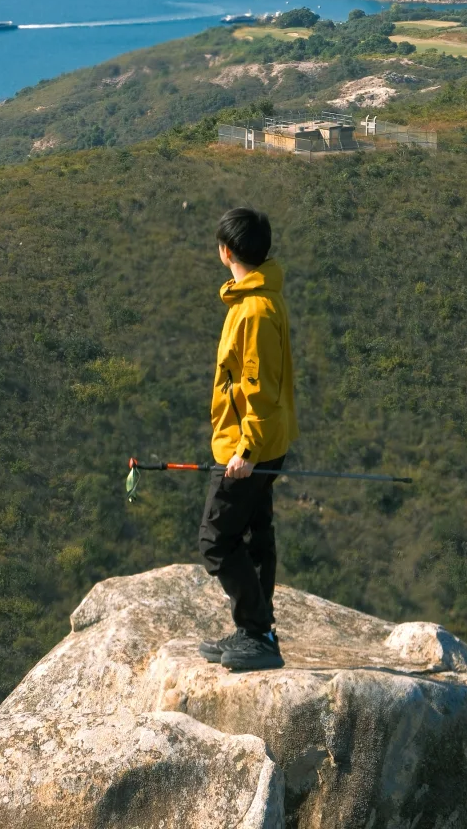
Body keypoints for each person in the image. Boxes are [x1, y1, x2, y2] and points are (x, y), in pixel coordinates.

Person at [198, 206, 298, 672]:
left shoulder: (254, 310)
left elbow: (256, 388)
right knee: (256, 533)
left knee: (216, 540)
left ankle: (258, 633)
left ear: (226, 251)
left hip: (248, 447)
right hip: (266, 441)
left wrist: (246, 451)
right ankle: (254, 628)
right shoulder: (260, 298)